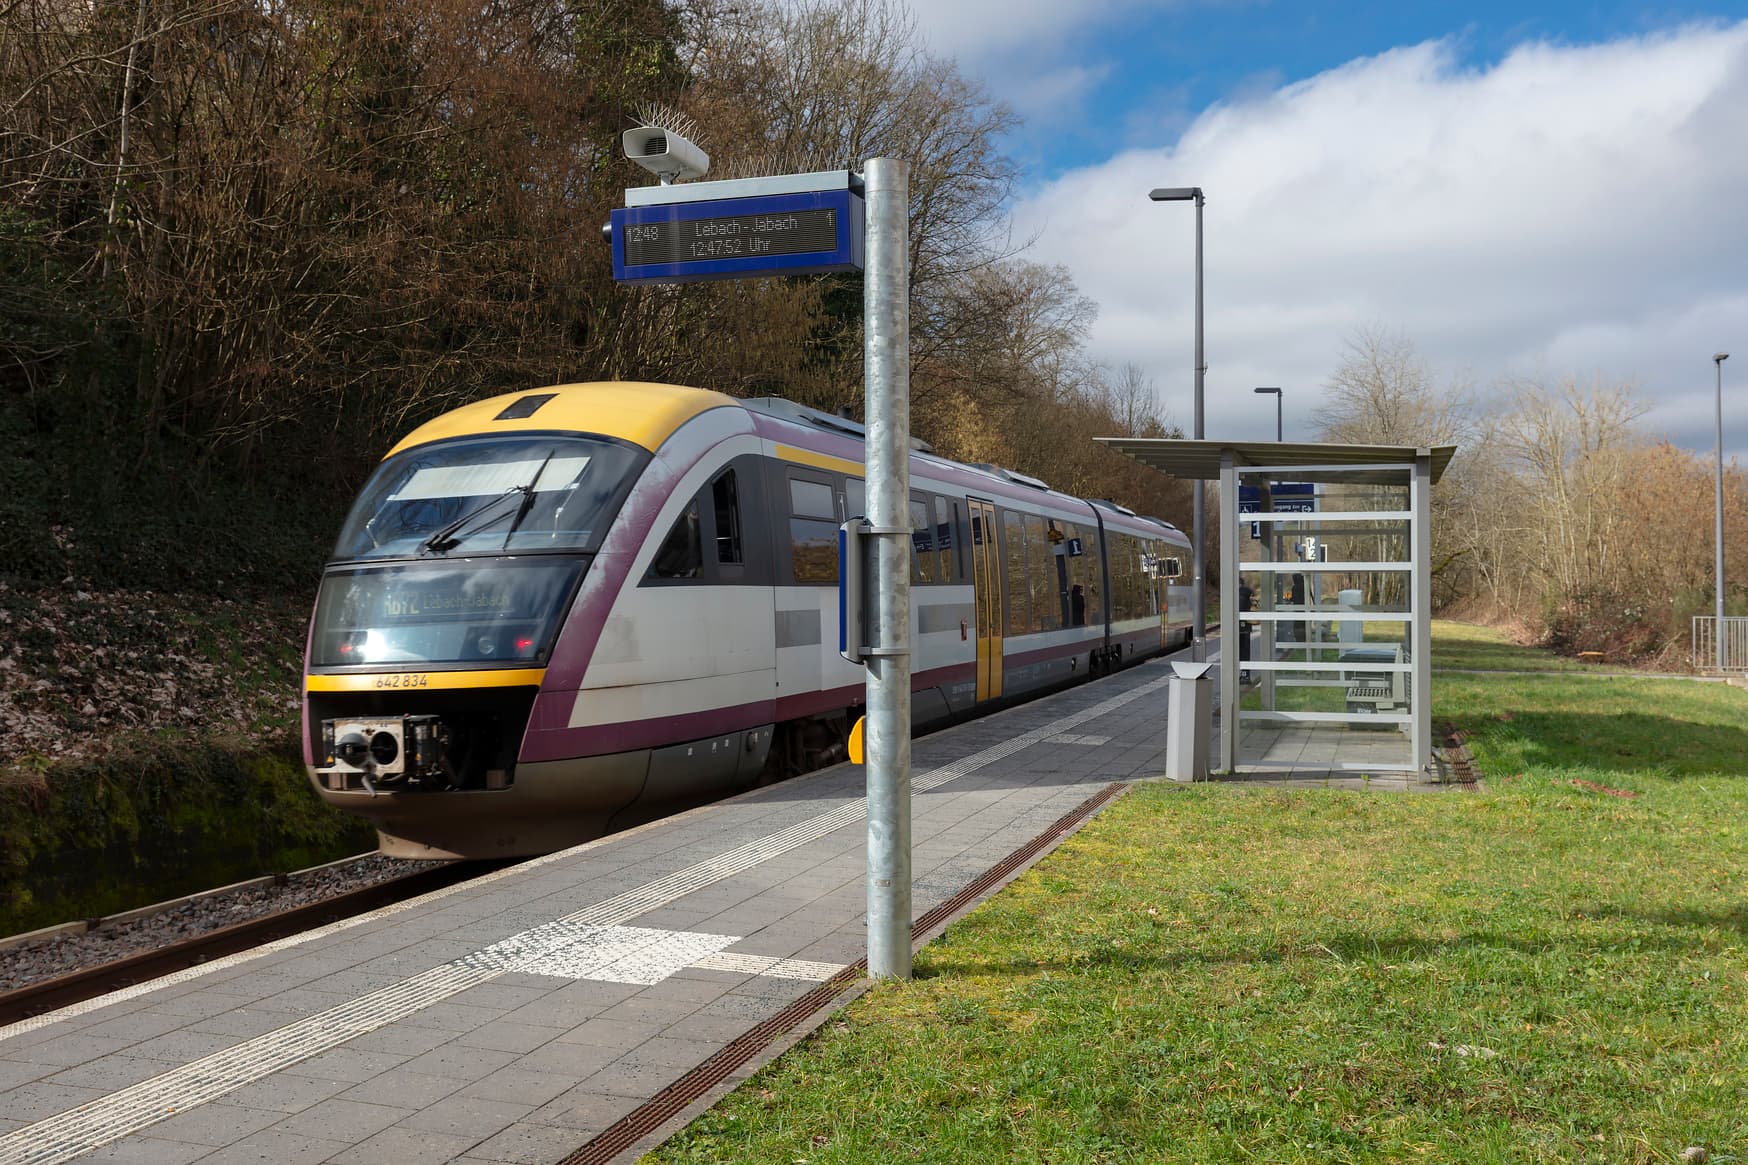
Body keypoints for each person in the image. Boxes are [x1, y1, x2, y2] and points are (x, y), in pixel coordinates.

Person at [1237, 578, 1254, 681]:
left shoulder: (1239, 596)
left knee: (1238, 651)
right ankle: (1245, 674)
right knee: (1245, 651)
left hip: (1238, 628)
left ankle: (1243, 674)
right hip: (1246, 627)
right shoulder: (1247, 594)